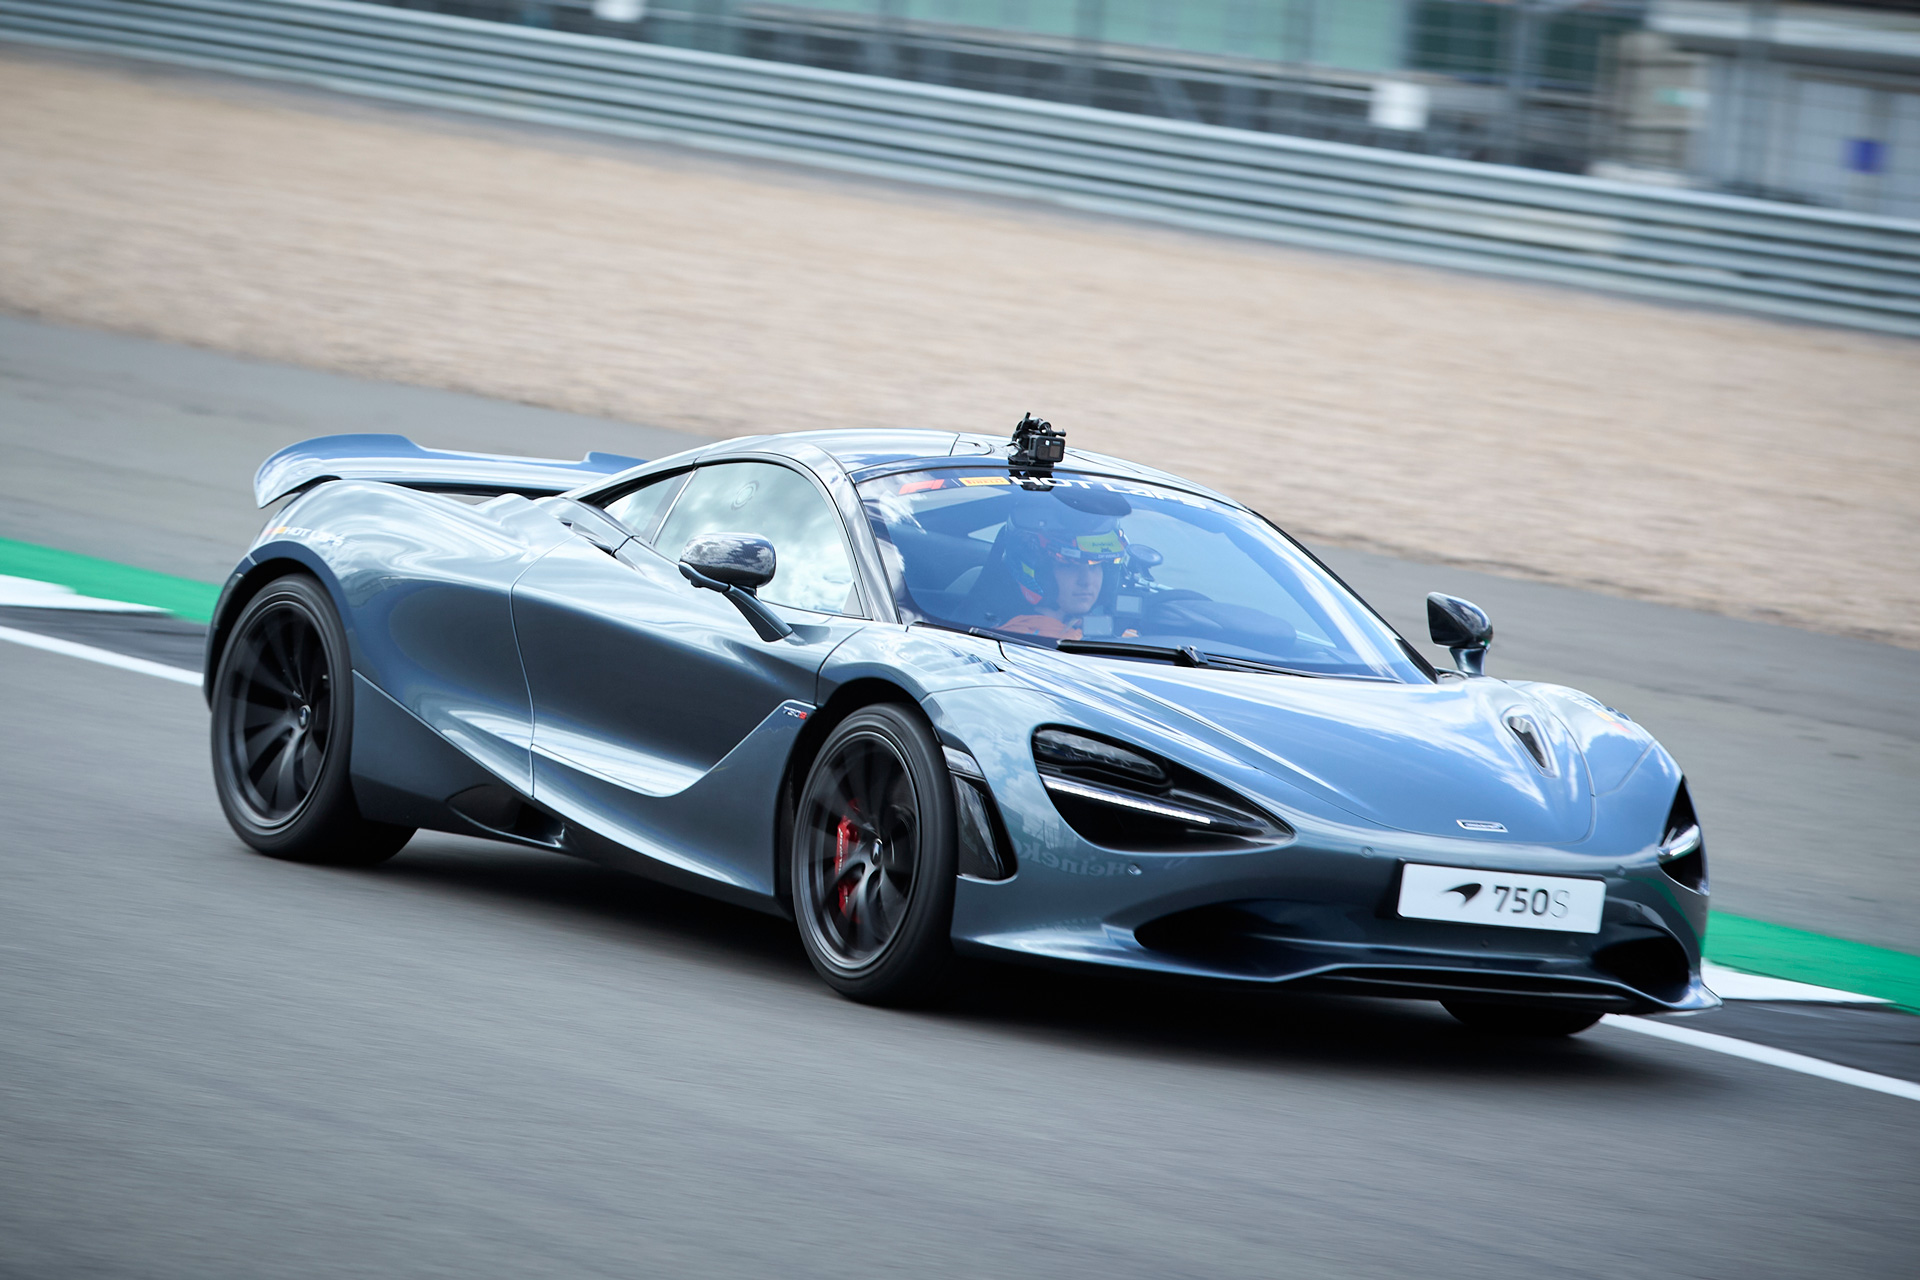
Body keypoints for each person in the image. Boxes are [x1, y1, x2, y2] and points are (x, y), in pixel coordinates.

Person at [996, 487, 1131, 641]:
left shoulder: (1119, 634)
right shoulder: (1016, 638)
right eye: (1069, 566)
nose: (1086, 581)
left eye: (1094, 566)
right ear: (1041, 571)